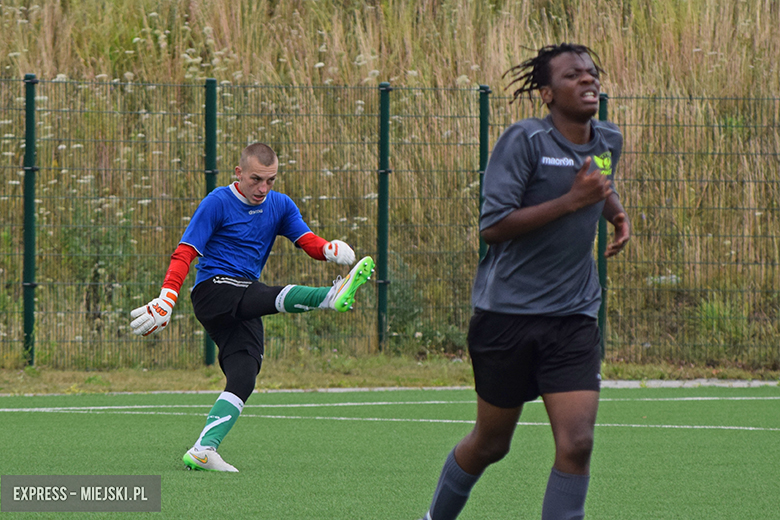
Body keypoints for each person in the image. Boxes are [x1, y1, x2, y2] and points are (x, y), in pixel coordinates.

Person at [419, 43, 630, 519]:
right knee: (492, 444)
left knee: (577, 443)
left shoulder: (607, 140)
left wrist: (616, 215)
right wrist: (573, 202)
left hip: (574, 317)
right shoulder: (525, 141)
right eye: (573, 75)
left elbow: (598, 179)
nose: (588, 81)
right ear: (546, 93)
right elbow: (493, 226)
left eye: (592, 73)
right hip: (506, 317)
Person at [129, 142, 375, 472]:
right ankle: (329, 297)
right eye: (256, 179)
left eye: (270, 180)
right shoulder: (217, 202)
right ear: (239, 173)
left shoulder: (281, 206)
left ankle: (204, 449)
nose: (263, 188)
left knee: (245, 375)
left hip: (244, 300)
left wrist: (328, 248)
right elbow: (185, 251)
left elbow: (307, 242)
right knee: (261, 293)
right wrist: (166, 298)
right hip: (213, 291)